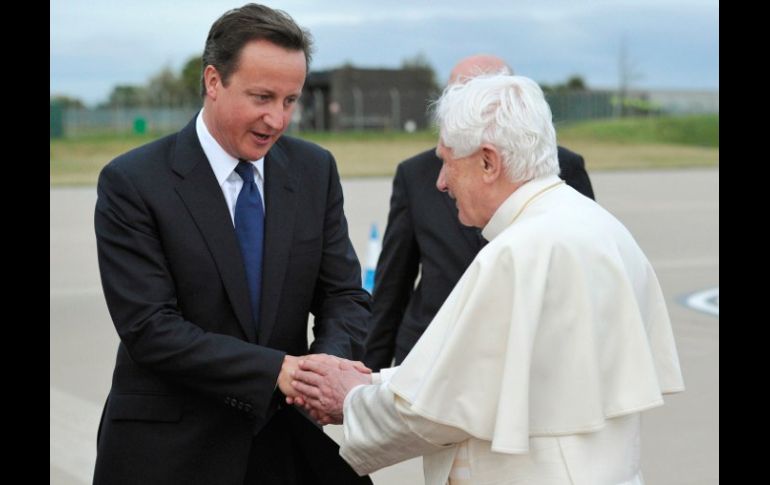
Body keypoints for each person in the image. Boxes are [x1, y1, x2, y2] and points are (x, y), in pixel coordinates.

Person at [291, 73, 684, 484]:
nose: (440, 181)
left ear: (488, 162)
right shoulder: (600, 226)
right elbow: (477, 373)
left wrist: (351, 400)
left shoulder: (519, 252)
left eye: (446, 161)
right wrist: (373, 380)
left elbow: (443, 409)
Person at [92, 4, 371, 484]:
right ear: (213, 82)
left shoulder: (314, 171)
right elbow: (150, 328)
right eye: (262, 97)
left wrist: (321, 370)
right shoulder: (133, 182)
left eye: (290, 100)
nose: (277, 119)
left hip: (283, 445)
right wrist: (277, 371)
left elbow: (344, 295)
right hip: (168, 454)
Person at [364, 54, 595, 371]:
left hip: (521, 357)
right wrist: (366, 378)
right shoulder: (415, 174)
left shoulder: (561, 166)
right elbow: (393, 285)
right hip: (430, 353)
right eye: (453, 97)